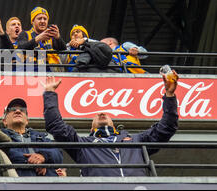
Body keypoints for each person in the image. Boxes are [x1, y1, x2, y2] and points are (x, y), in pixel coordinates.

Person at [42, 72, 179, 177]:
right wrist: (49, 93)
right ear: (91, 128)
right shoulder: (82, 145)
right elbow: (57, 127)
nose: (101, 113)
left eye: (106, 114)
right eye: (96, 115)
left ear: (114, 125)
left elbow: (167, 128)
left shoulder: (136, 140)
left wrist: (169, 95)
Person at [0, 98, 63, 176]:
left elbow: (58, 154)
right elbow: (3, 152)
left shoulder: (41, 137)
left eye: (22, 110)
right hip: (15, 184)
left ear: (27, 121)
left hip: (47, 186)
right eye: (12, 109)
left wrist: (43, 156)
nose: (18, 111)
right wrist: (33, 161)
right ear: (4, 121)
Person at [16, 7, 66, 72]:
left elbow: (64, 51)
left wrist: (58, 37)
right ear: (32, 21)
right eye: (39, 19)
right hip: (31, 72)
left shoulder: (52, 35)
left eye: (45, 19)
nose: (42, 21)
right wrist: (38, 38)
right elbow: (20, 49)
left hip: (52, 72)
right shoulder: (24, 34)